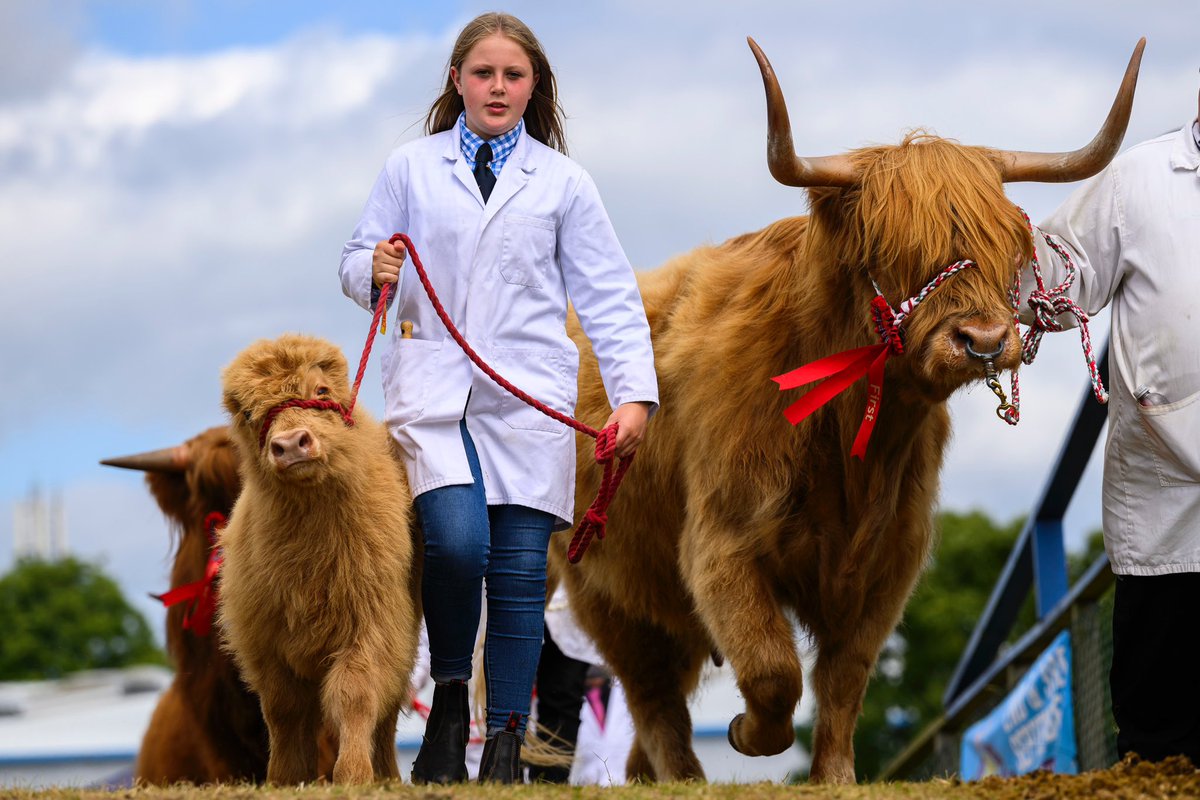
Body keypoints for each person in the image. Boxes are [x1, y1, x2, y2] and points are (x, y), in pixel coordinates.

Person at [338, 11, 659, 785]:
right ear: (457, 81)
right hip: (434, 391)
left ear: (533, 87)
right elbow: (357, 259)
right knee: (454, 544)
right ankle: (451, 703)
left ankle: (506, 745)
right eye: (483, 73)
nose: (497, 87)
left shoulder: (563, 183)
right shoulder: (410, 168)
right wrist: (371, 270)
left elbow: (609, 294)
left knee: (518, 573)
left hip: (528, 399)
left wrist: (633, 398)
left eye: (513, 76)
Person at [1027, 88, 1200, 766]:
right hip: (1166, 491)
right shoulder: (1140, 178)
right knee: (1162, 742)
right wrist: (983, 241)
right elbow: (1060, 277)